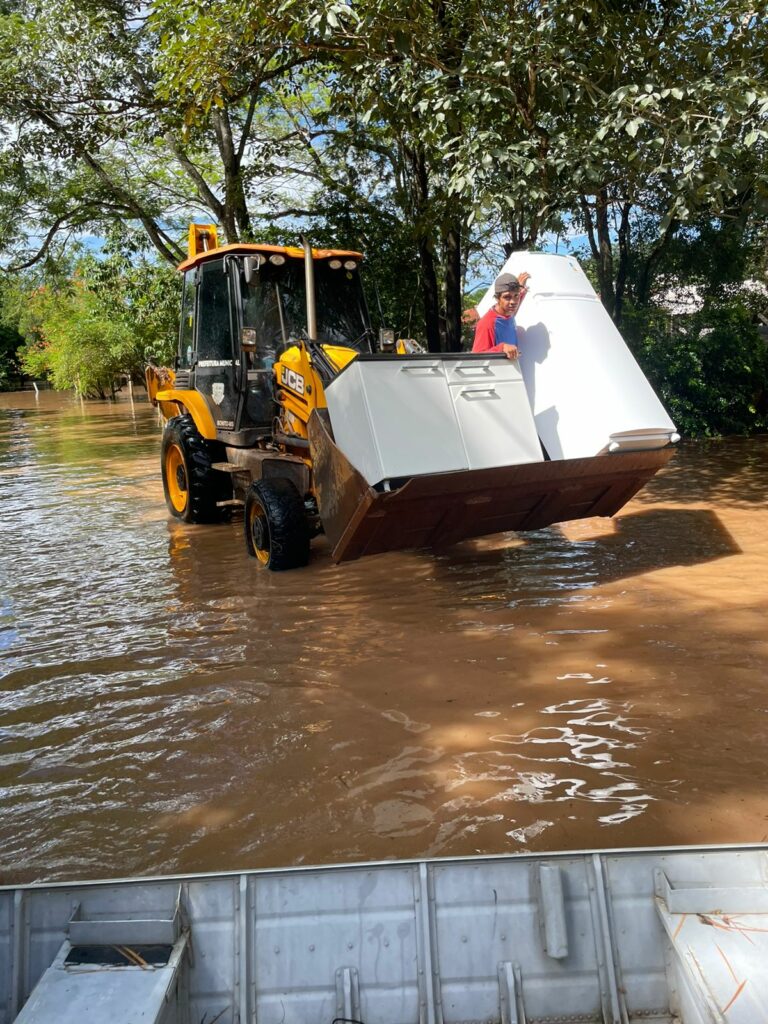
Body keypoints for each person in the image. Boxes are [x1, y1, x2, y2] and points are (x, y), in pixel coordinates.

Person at [466, 271, 531, 360]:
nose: (513, 302)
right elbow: (477, 357)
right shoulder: (487, 323)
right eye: (507, 297)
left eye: (516, 296)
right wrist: (502, 348)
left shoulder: (509, 313)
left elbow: (513, 307)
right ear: (497, 298)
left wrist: (521, 289)